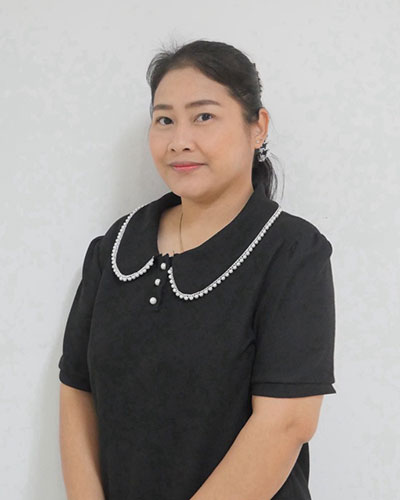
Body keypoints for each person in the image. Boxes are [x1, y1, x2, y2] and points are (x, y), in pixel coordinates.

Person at [58, 39, 336, 500]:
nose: (179, 140)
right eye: (164, 119)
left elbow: (286, 424)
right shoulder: (115, 248)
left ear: (258, 127)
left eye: (203, 116)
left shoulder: (292, 252)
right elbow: (76, 389)